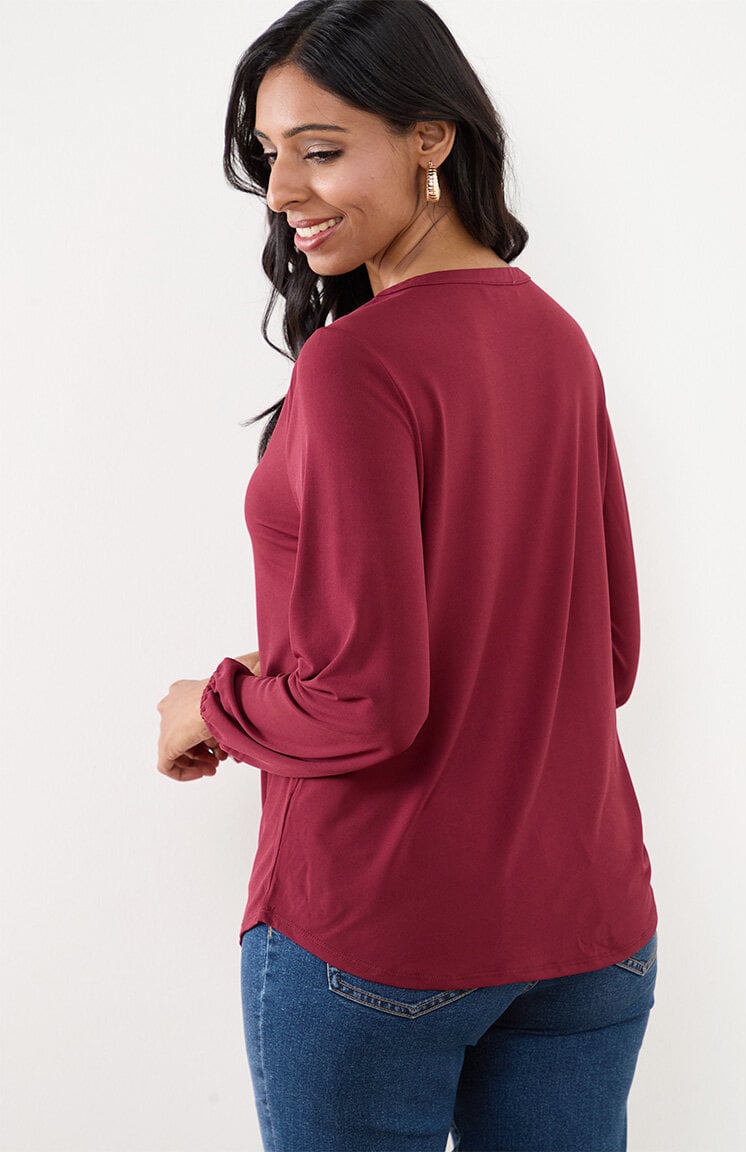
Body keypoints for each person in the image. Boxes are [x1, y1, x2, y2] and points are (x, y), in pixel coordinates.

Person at [156, 1, 659, 1148]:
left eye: (322, 150)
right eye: (269, 154)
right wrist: (281, 661)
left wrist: (211, 707)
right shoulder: (556, 338)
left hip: (383, 938)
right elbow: (605, 657)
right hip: (587, 933)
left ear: (432, 137)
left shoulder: (354, 365)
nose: (283, 190)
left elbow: (370, 705)